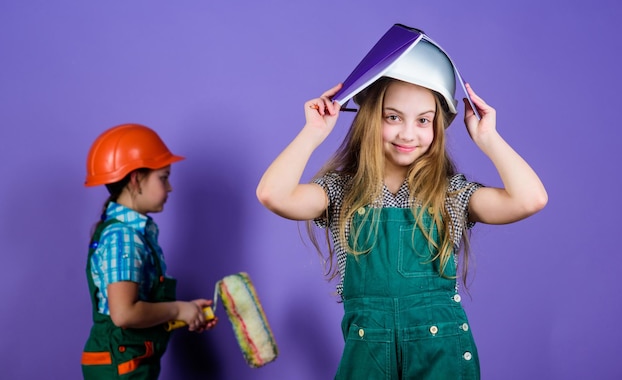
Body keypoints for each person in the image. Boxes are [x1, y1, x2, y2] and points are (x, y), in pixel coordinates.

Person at [256, 48, 547, 377]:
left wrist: (488, 138)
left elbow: (529, 199)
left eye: (423, 120)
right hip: (369, 360)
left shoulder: (450, 194)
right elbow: (272, 194)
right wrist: (313, 133)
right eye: (392, 117)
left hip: (441, 358)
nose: (408, 133)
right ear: (368, 118)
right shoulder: (341, 193)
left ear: (438, 126)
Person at [81, 123, 217, 379]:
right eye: (163, 178)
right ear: (136, 179)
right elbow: (124, 313)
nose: (170, 188)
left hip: (131, 363)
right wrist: (177, 310)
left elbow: (138, 307)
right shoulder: (124, 238)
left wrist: (187, 311)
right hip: (120, 369)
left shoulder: (132, 232)